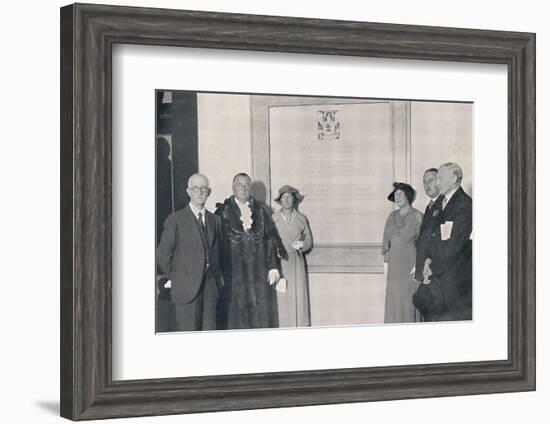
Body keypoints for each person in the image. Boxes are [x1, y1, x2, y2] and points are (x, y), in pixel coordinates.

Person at [215, 173, 287, 329]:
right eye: (239, 185)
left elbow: (270, 239)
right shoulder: (222, 212)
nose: (243, 188)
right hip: (234, 276)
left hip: (258, 274)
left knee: (260, 316)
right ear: (233, 187)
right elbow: (217, 246)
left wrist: (273, 266)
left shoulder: (262, 211)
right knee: (235, 318)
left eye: (247, 185)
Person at [157, 173, 223, 331]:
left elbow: (220, 254)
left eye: (203, 188)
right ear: (188, 192)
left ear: (209, 192)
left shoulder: (216, 220)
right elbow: (163, 255)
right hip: (185, 290)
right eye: (195, 189)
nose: (200, 192)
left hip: (210, 289)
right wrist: (178, 277)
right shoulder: (176, 220)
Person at [423, 162, 472, 321]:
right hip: (438, 277)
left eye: (440, 178)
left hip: (454, 283)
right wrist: (428, 260)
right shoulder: (441, 203)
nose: (437, 183)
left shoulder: (464, 204)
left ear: (455, 179)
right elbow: (433, 236)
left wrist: (432, 267)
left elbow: (455, 246)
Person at [382, 182, 423, 323]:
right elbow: (386, 244)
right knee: (394, 302)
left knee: (409, 301)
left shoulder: (418, 216)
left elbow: (424, 245)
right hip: (394, 267)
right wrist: (386, 266)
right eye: (395, 195)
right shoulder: (391, 217)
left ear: (408, 196)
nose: (397, 197)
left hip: (411, 266)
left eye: (400, 194)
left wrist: (419, 266)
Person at [272, 185, 313, 328]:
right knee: (282, 299)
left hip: (296, 263)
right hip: (280, 263)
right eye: (284, 197)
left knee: (298, 299)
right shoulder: (273, 219)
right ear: (280, 200)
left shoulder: (301, 219)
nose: (287, 200)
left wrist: (301, 244)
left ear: (294, 200)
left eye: (290, 197)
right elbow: (267, 241)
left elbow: (308, 241)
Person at [414, 168, 443, 285]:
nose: (427, 185)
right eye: (424, 181)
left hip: (434, 268)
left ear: (439, 182)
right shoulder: (430, 206)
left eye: (430, 180)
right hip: (425, 267)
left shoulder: (444, 204)